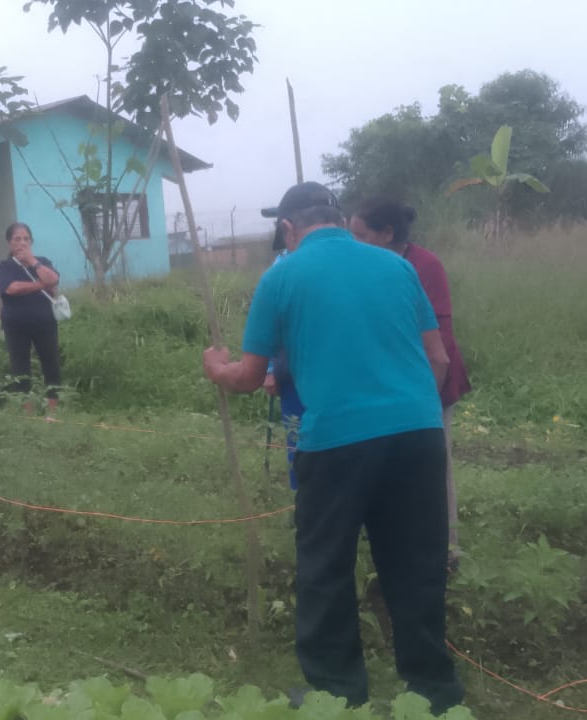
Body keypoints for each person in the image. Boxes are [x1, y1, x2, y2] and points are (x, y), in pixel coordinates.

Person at [202, 183, 464, 713]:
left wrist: (216, 368)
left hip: (337, 443)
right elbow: (438, 359)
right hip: (418, 436)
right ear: (340, 221)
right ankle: (434, 694)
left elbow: (250, 377)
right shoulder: (397, 267)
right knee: (417, 564)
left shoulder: (282, 276)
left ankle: (337, 695)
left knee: (325, 567)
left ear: (288, 228)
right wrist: (408, 409)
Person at [351, 198, 472, 564]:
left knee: (435, 466)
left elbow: (440, 338)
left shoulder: (425, 266)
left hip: (428, 384)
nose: (354, 243)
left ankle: (446, 549)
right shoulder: (365, 266)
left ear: (387, 233)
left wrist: (425, 396)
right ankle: (395, 544)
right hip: (387, 385)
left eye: (361, 235)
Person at [259, 183, 339, 489]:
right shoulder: (280, 268)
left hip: (334, 367)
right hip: (294, 368)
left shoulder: (342, 262)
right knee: (300, 440)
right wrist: (270, 369)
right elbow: (273, 326)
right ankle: (304, 494)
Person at [0, 222, 62, 419]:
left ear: (31, 242)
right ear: (9, 243)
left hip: (44, 322)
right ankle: (29, 415)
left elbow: (53, 279)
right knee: (20, 368)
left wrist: (32, 261)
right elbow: (11, 288)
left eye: (26, 239)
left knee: (51, 364)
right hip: (16, 325)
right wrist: (41, 285)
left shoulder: (42, 261)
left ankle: (53, 413)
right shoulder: (5, 266)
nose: (22, 243)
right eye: (17, 239)